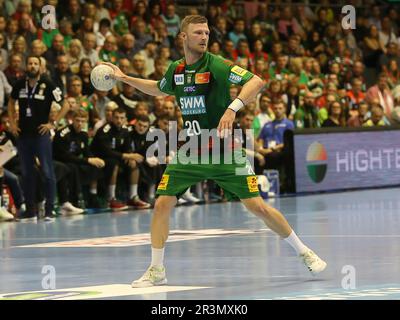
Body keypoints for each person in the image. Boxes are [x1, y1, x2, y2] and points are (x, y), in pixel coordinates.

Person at [102, 15, 327, 288]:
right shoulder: (176, 69)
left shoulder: (218, 65)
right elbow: (158, 90)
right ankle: (156, 269)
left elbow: (256, 81)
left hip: (224, 150)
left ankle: (305, 251)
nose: (204, 37)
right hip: (191, 151)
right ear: (183, 37)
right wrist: (124, 77)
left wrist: (233, 108)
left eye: (206, 32)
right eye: (198, 32)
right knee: (162, 203)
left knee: (257, 207)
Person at [8, 55, 70, 221]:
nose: (33, 66)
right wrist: (12, 123)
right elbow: (10, 102)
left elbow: (66, 104)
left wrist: (53, 123)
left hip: (41, 135)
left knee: (47, 172)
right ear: (26, 65)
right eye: (30, 63)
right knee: (27, 173)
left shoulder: (48, 84)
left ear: (41, 67)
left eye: (36, 63)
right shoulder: (20, 83)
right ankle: (30, 211)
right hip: (23, 135)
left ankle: (50, 210)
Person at [53, 109, 106, 210]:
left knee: (96, 166)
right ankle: (74, 200)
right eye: (77, 120)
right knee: (73, 168)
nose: (80, 124)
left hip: (75, 160)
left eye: (82, 121)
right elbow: (64, 156)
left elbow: (86, 153)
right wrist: (88, 160)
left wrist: (95, 159)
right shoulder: (63, 133)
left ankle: (93, 196)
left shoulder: (83, 135)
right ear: (72, 120)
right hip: (61, 161)